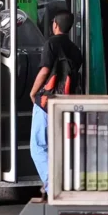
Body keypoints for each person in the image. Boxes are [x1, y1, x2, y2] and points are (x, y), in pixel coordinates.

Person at [28, 10, 82, 192]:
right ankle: (60, 182)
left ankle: (52, 186)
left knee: (38, 147)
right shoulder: (76, 49)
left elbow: (45, 70)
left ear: (55, 25)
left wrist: (33, 92)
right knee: (57, 146)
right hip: (65, 103)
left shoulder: (50, 44)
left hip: (45, 103)